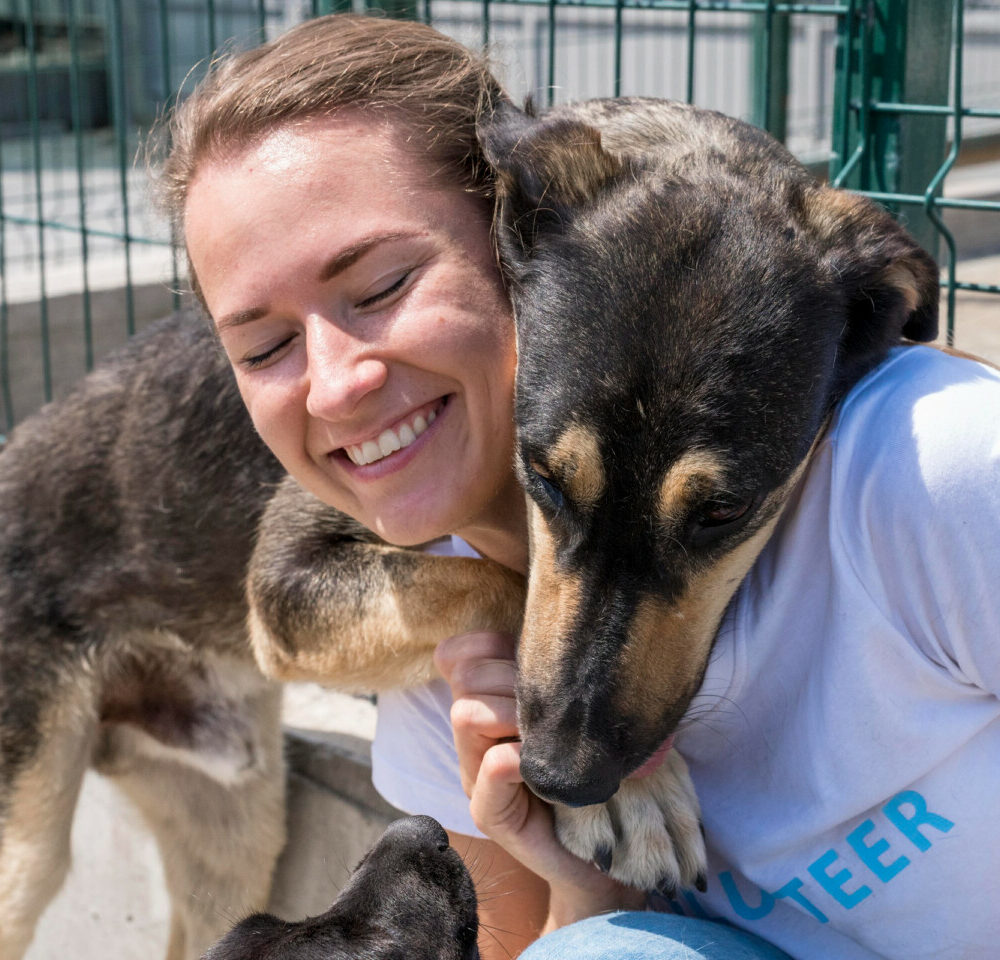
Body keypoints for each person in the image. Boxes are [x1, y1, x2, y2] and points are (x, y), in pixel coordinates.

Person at [159, 13, 1000, 960]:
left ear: (508, 249)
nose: (337, 382)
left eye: (386, 284)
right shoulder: (449, 645)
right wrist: (570, 869)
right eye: (263, 347)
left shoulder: (936, 465)